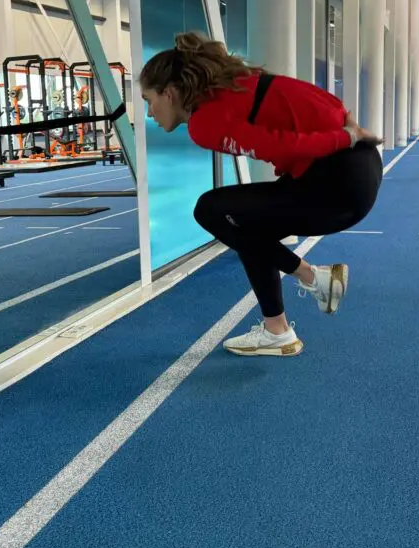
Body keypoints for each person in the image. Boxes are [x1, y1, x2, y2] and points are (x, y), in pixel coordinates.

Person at [139, 32, 383, 357]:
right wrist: (347, 127)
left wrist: (347, 136)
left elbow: (286, 145)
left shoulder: (205, 122)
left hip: (338, 182)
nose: (150, 113)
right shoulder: (238, 85)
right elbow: (316, 102)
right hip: (356, 172)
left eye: (148, 101)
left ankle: (314, 278)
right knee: (245, 224)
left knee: (209, 209)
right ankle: (277, 330)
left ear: (169, 93)